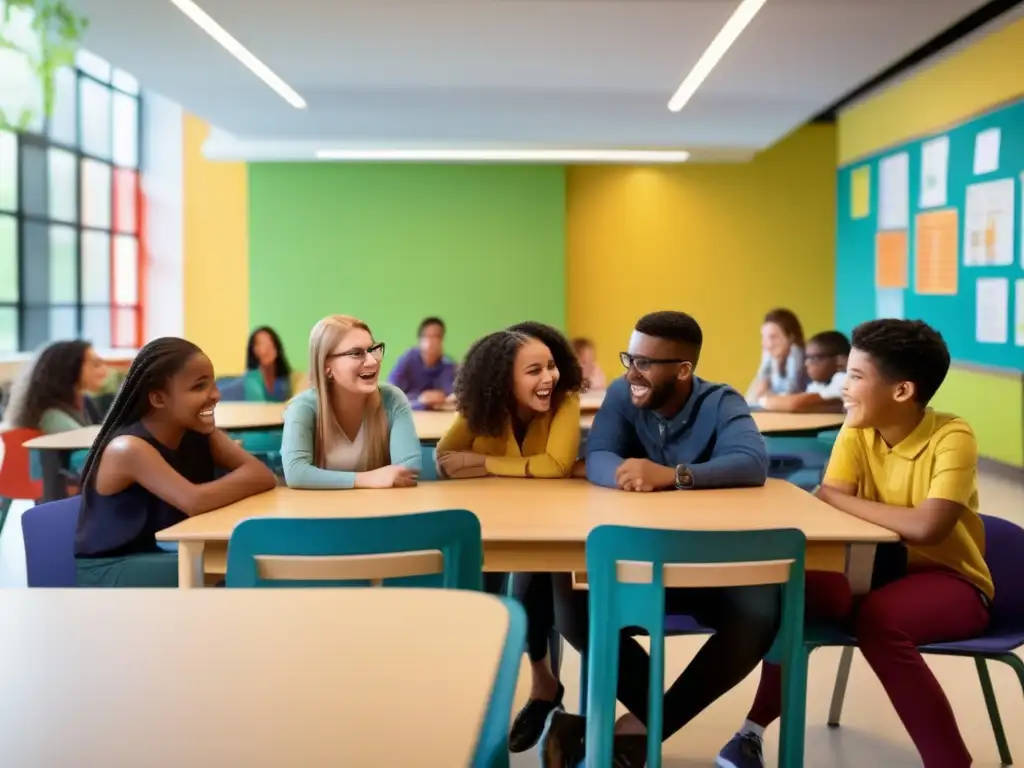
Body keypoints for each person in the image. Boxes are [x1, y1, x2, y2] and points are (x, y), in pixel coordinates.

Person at [717, 319, 992, 768]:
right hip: (873, 569)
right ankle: (751, 733)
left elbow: (929, 529)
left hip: (950, 579)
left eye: (857, 377)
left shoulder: (952, 436)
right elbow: (829, 502)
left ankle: (951, 762)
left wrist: (842, 500)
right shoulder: (857, 428)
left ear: (901, 392)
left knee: (881, 621)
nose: (844, 387)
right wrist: (839, 500)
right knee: (794, 592)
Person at [540, 311, 774, 768]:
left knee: (762, 613)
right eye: (630, 357)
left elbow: (751, 462)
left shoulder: (721, 402)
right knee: (569, 602)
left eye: (646, 363)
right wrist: (627, 477)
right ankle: (644, 729)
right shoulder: (622, 394)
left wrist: (673, 476)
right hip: (636, 557)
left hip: (707, 563)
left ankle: (633, 730)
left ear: (683, 370)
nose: (632, 372)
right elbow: (601, 454)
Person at [436, 320, 585, 753]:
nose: (548, 379)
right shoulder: (484, 409)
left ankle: (541, 687)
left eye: (551, 367)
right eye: (533, 371)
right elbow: (445, 458)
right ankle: (490, 700)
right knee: (481, 598)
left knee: (529, 584)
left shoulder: (566, 403)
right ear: (504, 381)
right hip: (492, 524)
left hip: (550, 525)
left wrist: (483, 463)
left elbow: (556, 466)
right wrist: (519, 465)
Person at [74, 337, 277, 587]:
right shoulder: (129, 448)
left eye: (213, 384)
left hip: (153, 555)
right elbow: (194, 501)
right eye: (199, 387)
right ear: (158, 399)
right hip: (109, 569)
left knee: (248, 558)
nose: (215, 395)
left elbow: (263, 475)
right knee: (241, 565)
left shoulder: (201, 432)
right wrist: (235, 482)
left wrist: (220, 488)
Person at [281, 315, 421, 489]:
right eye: (356, 353)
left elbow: (409, 469)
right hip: (321, 512)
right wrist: (366, 479)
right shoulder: (303, 407)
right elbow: (296, 473)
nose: (372, 361)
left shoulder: (392, 399)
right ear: (327, 367)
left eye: (373, 350)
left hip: (380, 510)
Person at [2, 340, 108, 433]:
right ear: (69, 369)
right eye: (95, 365)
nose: (104, 371)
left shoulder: (84, 403)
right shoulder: (52, 417)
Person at [759, 330, 849, 413]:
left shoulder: (843, 380)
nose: (806, 363)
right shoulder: (818, 385)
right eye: (806, 358)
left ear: (840, 361)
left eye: (813, 358)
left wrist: (765, 401)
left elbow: (796, 403)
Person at [388, 316, 457, 410]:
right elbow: (390, 395)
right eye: (427, 336)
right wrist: (420, 400)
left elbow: (453, 397)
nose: (432, 342)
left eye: (437, 336)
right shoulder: (408, 360)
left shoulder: (448, 365)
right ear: (420, 340)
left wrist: (446, 399)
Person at [747, 308, 807, 402]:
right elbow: (759, 391)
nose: (767, 344)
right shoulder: (771, 358)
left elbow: (791, 391)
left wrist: (767, 396)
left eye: (773, 337)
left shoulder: (797, 355)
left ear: (791, 337)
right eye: (764, 337)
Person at [243, 326, 293, 402]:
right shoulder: (252, 379)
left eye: (269, 342)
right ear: (254, 350)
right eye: (260, 344)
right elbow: (259, 409)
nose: (266, 348)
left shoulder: (284, 381)